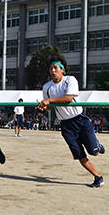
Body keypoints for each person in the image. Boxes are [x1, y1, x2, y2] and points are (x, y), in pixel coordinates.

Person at [37, 57, 105, 188]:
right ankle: (98, 177)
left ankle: (98, 146)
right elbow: (51, 107)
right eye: (51, 68)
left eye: (55, 68)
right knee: (79, 154)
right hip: (65, 125)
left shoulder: (70, 80)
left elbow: (68, 98)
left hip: (80, 120)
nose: (52, 70)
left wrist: (49, 101)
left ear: (62, 70)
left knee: (94, 152)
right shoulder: (47, 87)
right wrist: (44, 107)